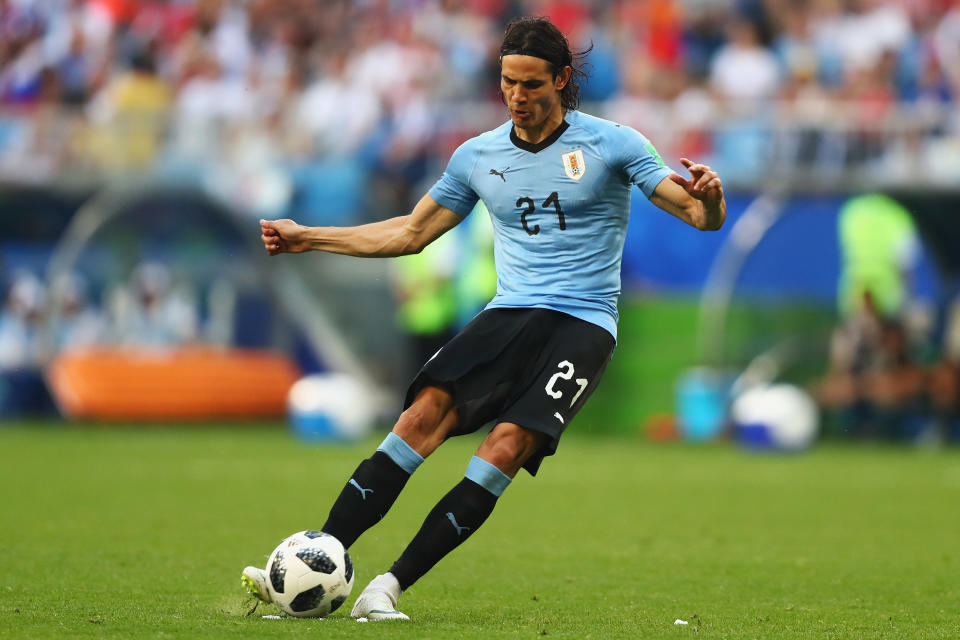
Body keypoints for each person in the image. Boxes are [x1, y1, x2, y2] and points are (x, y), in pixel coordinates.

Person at [242, 16, 725, 620]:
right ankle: (320, 557)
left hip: (583, 325)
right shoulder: (478, 155)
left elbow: (699, 217)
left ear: (562, 80)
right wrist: (308, 237)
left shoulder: (614, 143)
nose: (518, 98)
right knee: (420, 416)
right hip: (508, 314)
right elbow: (411, 232)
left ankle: (387, 586)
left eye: (531, 85)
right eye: (507, 83)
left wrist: (711, 199)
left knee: (506, 445)